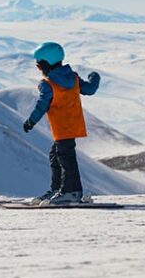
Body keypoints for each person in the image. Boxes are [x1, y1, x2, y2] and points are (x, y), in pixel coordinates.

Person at [22, 42, 100, 205]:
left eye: (38, 65)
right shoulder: (74, 78)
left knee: (66, 158)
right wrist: (94, 77)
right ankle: (58, 189)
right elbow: (90, 89)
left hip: (61, 127)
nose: (38, 68)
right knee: (56, 156)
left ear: (45, 64)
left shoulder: (48, 83)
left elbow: (42, 104)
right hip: (72, 124)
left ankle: (71, 192)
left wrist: (31, 121)